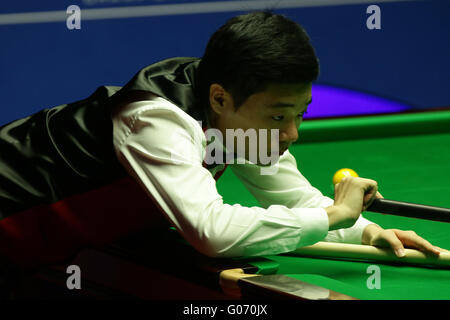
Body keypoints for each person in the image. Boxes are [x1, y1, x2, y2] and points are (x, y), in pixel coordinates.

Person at [0, 12, 445, 292]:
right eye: (277, 117)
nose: (291, 133)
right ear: (218, 98)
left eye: (302, 114)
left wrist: (364, 230)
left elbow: (292, 197)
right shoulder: (156, 121)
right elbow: (210, 232)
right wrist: (335, 216)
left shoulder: (232, 110)